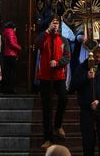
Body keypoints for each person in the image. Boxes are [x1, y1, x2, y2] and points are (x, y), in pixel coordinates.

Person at [69, 43, 100, 156]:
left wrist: (99, 100)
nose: (98, 59)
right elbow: (73, 86)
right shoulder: (82, 67)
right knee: (87, 140)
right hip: (86, 109)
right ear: (91, 55)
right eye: (96, 57)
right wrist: (86, 77)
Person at [36, 15, 72, 149]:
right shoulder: (44, 37)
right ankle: (48, 138)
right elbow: (37, 44)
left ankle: (58, 124)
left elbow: (67, 56)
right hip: (45, 77)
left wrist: (57, 63)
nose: (55, 25)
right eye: (53, 23)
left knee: (64, 98)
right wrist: (46, 31)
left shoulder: (63, 40)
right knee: (47, 108)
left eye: (57, 23)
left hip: (59, 76)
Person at [1, 21, 22, 94]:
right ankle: (10, 89)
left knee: (7, 72)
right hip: (11, 55)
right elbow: (12, 43)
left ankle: (5, 88)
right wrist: (19, 48)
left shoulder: (6, 32)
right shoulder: (10, 32)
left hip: (7, 54)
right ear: (13, 27)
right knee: (12, 73)